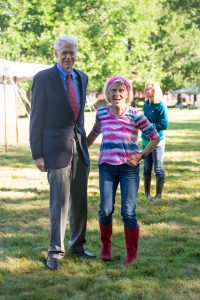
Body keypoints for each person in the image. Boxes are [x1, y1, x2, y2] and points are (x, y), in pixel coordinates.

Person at [29, 34, 95, 270]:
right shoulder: (43, 78)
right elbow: (36, 117)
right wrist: (37, 152)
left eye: (72, 52)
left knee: (80, 200)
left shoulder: (82, 77)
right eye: (64, 52)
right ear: (55, 54)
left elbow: (79, 117)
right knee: (60, 202)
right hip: (55, 149)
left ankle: (78, 245)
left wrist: (84, 144)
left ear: (76, 53)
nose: (68, 56)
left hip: (80, 148)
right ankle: (55, 252)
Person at [87, 76, 160, 266]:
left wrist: (141, 155)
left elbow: (154, 137)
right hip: (107, 168)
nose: (117, 94)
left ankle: (131, 254)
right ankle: (106, 247)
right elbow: (94, 134)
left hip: (129, 169)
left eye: (121, 90)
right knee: (105, 210)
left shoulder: (136, 114)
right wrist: (79, 151)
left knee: (128, 212)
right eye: (113, 90)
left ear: (127, 93)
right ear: (107, 93)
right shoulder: (101, 113)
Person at [142, 81, 168, 201]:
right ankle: (146, 193)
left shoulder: (160, 105)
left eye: (149, 89)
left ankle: (158, 195)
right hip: (145, 140)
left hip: (158, 141)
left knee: (158, 168)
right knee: (146, 168)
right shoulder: (146, 104)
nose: (147, 91)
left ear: (155, 91)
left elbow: (164, 124)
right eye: (146, 89)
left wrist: (149, 125)